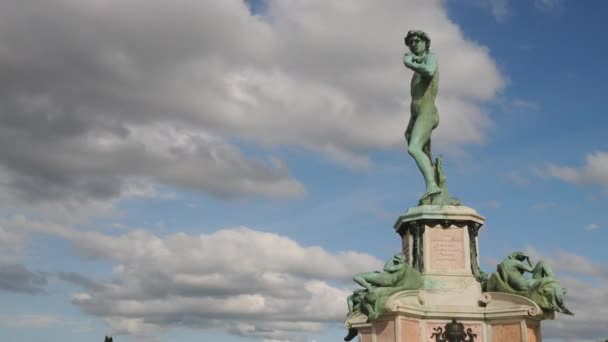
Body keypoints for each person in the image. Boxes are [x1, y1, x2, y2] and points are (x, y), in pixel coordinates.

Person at [403, 30, 441, 199]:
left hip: (427, 112)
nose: (413, 44)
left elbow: (430, 71)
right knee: (412, 141)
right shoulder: (417, 68)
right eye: (410, 42)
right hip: (416, 115)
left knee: (414, 148)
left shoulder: (430, 58)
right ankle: (434, 177)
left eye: (416, 41)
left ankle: (432, 186)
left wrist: (410, 63)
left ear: (426, 43)